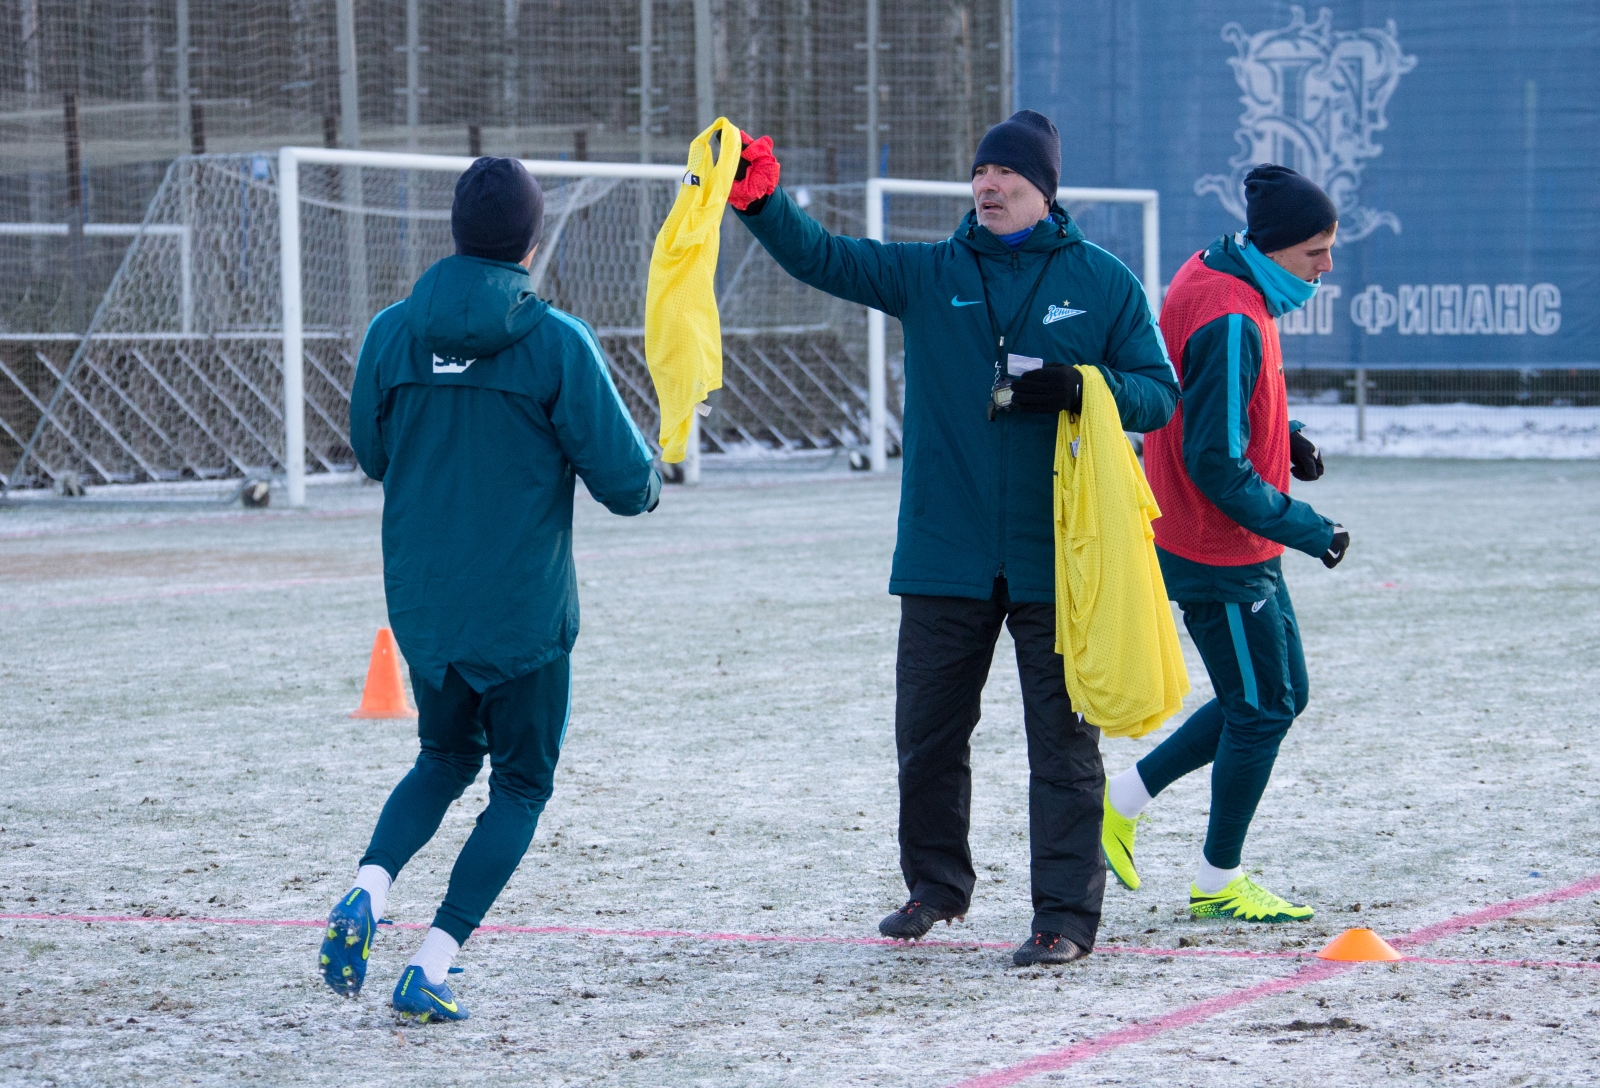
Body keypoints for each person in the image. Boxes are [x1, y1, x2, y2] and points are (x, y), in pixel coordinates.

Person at [727, 111, 1178, 966]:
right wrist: (761, 202)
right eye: (981, 174)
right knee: (928, 734)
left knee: (1064, 746)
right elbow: (823, 255)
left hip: (1061, 561)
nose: (988, 186)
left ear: (1045, 191)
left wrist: (1083, 388)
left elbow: (1160, 393)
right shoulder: (932, 273)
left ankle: (1064, 920)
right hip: (943, 553)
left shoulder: (1104, 281)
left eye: (1007, 176)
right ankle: (935, 885)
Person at [320, 157, 662, 1021]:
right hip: (523, 617)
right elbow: (628, 487)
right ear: (533, 241)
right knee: (519, 785)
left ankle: (367, 886)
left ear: (456, 233)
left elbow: (371, 453)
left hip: (429, 610)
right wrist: (654, 470)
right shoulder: (556, 341)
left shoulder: (392, 332)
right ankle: (430, 964)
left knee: (441, 758)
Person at [1103, 164, 1350, 923]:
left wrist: (1292, 436)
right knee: (1262, 707)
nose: (1326, 267)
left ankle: (1122, 798)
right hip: (1217, 545)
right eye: (1316, 252)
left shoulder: (1222, 271)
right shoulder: (1231, 310)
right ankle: (1218, 879)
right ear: (1274, 249)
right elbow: (1214, 461)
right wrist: (1312, 530)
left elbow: (1218, 405)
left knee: (1279, 696)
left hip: (1233, 537)